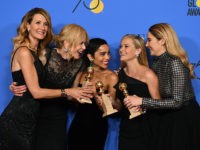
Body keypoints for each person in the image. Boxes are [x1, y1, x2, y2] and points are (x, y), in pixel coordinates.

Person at [1, 8, 93, 150]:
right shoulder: (26, 51)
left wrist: (79, 94)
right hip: (20, 119)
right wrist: (69, 91)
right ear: (27, 25)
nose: (43, 27)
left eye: (46, 24)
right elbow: (36, 92)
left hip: (34, 119)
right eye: (38, 23)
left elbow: (28, 80)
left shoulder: (37, 52)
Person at [125, 23, 200, 150]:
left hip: (184, 119)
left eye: (149, 40)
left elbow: (177, 102)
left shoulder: (174, 62)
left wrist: (141, 101)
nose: (146, 45)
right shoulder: (157, 61)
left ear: (162, 41)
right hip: (168, 116)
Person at [68, 38, 121, 150]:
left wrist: (98, 95)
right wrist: (78, 95)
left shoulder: (111, 77)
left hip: (97, 127)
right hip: (78, 126)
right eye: (102, 54)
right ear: (90, 57)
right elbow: (70, 98)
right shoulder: (81, 74)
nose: (107, 57)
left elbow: (115, 108)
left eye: (108, 54)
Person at [113, 34, 160, 150]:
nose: (121, 50)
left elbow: (159, 104)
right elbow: (119, 107)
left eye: (126, 46)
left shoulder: (149, 75)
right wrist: (110, 101)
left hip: (147, 130)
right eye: (121, 46)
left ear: (138, 51)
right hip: (126, 131)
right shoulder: (119, 75)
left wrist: (142, 104)